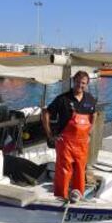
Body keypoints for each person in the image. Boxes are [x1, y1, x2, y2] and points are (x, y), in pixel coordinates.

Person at [42, 71, 96, 202]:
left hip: (82, 143)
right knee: (64, 172)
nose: (80, 85)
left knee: (80, 170)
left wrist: (89, 133)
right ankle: (61, 197)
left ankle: (78, 196)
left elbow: (94, 115)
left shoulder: (90, 99)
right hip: (65, 142)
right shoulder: (63, 99)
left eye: (83, 83)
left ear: (87, 84)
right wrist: (50, 134)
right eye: (77, 82)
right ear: (73, 81)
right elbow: (45, 113)